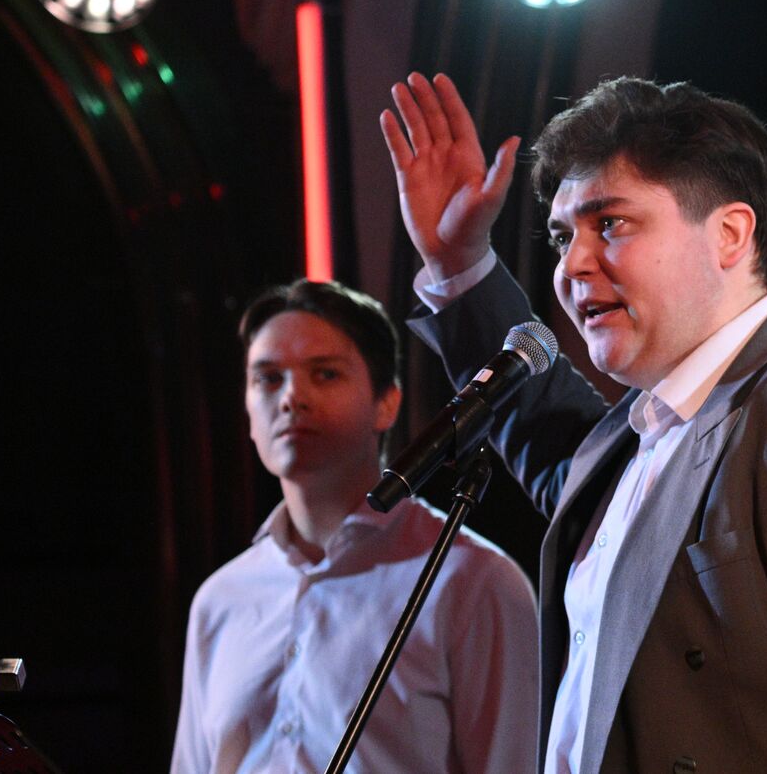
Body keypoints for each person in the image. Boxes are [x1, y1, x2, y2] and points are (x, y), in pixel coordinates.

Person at [380, 73, 767, 773]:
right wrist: (457, 263)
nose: (572, 265)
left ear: (729, 235)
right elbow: (540, 418)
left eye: (610, 224)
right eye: (561, 237)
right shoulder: (642, 427)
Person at [170, 280, 538, 774]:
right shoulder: (221, 600)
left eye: (325, 373)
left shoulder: (473, 582)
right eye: (269, 379)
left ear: (387, 402)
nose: (291, 397)